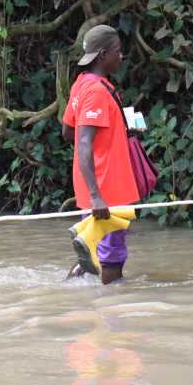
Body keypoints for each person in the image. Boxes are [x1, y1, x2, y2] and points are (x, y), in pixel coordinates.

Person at [61, 25, 142, 283]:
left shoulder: (82, 84)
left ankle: (75, 293)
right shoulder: (96, 91)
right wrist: (97, 196)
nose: (121, 56)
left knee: (94, 247)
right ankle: (111, 311)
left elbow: (67, 131)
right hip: (106, 188)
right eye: (118, 52)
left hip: (96, 185)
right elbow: (83, 142)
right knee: (111, 257)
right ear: (103, 54)